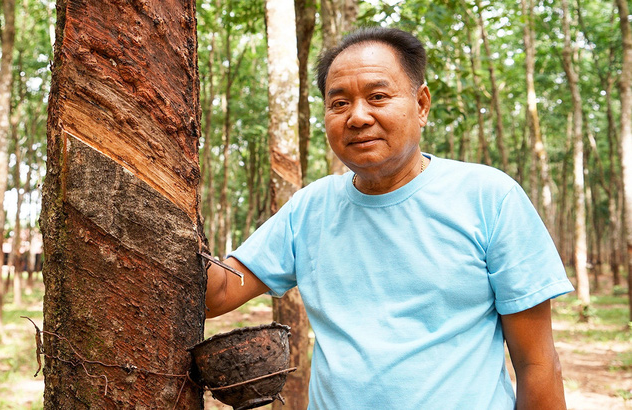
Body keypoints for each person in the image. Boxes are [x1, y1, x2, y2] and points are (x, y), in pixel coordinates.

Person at [205, 26, 573, 409]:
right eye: (339, 103)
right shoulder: (310, 208)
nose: (358, 117)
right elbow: (218, 294)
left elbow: (538, 364)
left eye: (378, 96)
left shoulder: (489, 197)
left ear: (422, 105)